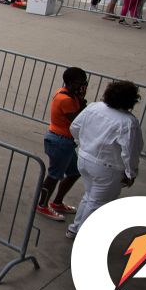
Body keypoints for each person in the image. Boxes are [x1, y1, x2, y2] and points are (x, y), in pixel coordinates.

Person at [66, 81, 145, 239]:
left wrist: (82, 144)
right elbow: (130, 152)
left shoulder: (94, 107)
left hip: (84, 158)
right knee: (97, 203)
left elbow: (74, 127)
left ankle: (75, 229)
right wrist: (131, 173)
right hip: (107, 168)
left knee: (89, 196)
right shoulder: (128, 122)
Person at [37, 67, 89, 222]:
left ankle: (57, 201)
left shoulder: (71, 95)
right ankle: (42, 204)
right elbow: (79, 120)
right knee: (54, 175)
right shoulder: (65, 98)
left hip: (66, 141)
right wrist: (81, 100)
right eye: (81, 83)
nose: (84, 86)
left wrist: (80, 98)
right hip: (59, 141)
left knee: (74, 172)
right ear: (72, 83)